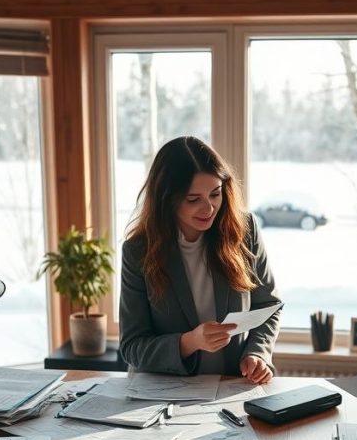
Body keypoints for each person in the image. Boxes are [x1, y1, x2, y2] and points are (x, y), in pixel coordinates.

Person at [119, 136, 281, 382]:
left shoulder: (244, 231)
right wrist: (189, 342)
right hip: (163, 395)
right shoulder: (139, 251)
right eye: (193, 199)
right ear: (167, 199)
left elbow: (267, 307)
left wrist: (257, 354)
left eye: (215, 194)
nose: (209, 209)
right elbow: (132, 347)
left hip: (230, 388)